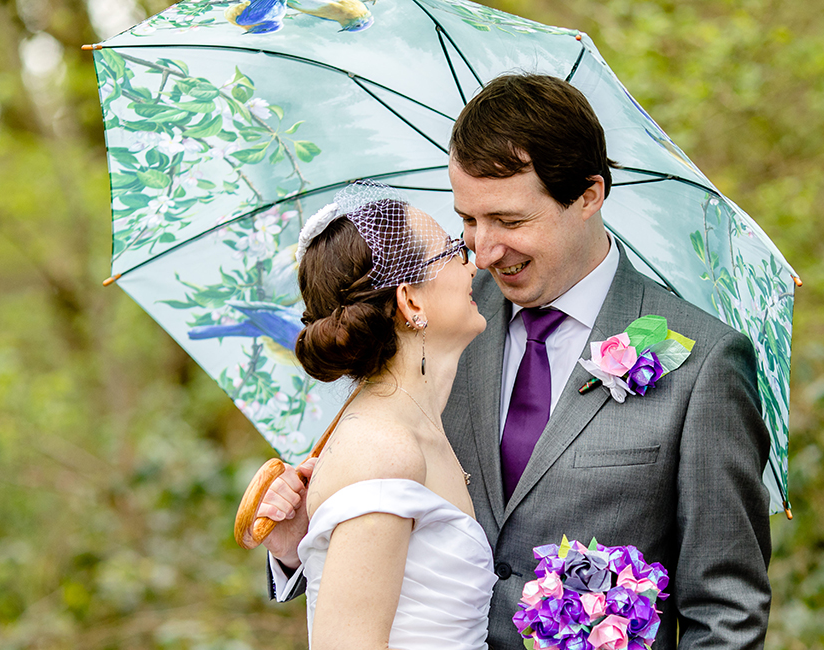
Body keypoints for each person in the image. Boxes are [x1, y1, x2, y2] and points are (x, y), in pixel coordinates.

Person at [261, 75, 772, 650]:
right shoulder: (437, 324)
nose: (482, 251)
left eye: (510, 220)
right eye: (468, 220)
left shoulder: (703, 363)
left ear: (587, 196)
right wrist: (299, 544)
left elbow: (725, 613)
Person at [262, 180, 496, 650]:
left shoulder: (414, 432)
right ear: (411, 301)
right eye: (452, 250)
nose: (473, 264)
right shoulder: (382, 449)